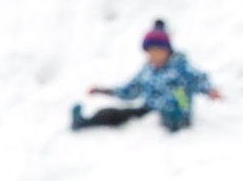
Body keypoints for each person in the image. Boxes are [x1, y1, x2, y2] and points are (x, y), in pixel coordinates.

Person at [70, 20, 217, 134]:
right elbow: (130, 90)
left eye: (158, 51)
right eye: (150, 52)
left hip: (177, 107)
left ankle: (178, 121)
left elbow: (198, 79)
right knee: (114, 113)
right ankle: (84, 122)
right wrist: (105, 91)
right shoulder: (148, 70)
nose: (154, 56)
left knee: (178, 92)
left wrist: (209, 90)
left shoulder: (180, 66)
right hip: (151, 107)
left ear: (167, 50)